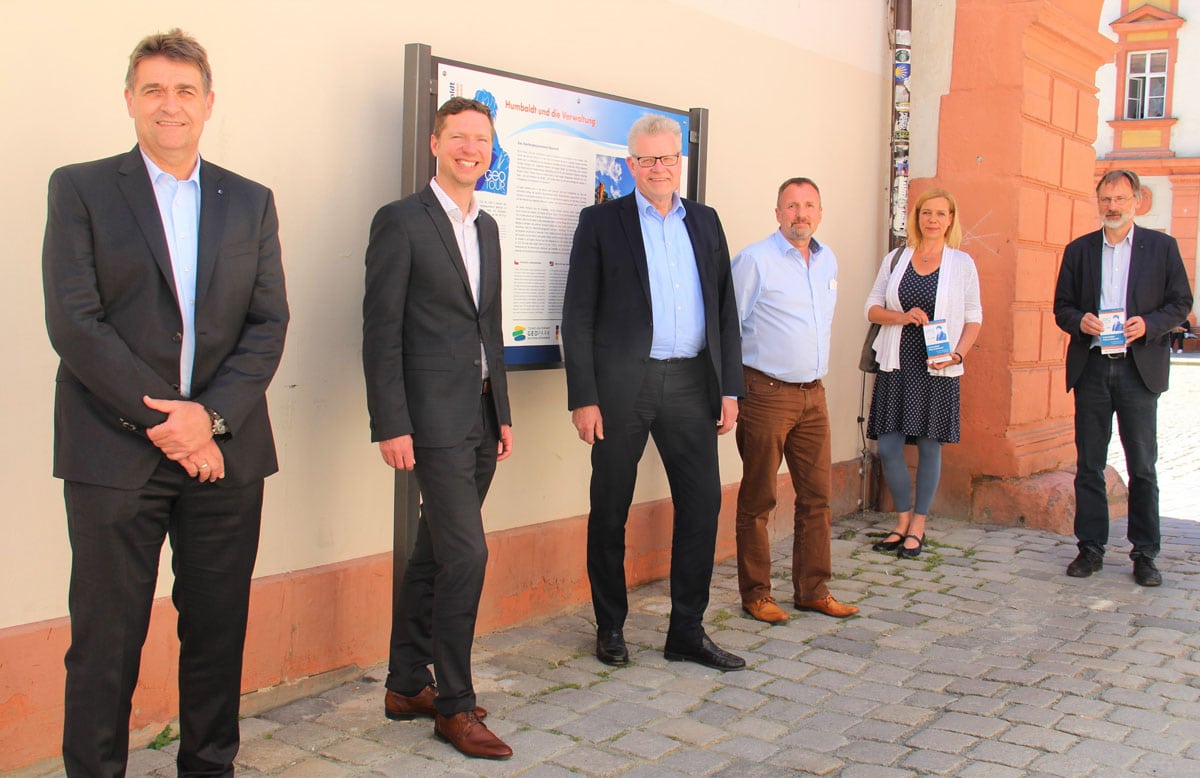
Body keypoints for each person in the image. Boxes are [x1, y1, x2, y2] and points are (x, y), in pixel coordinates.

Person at [41, 29, 289, 775]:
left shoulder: (249, 202)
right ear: (129, 101)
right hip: (113, 455)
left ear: (208, 105)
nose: (169, 105)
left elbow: (267, 323)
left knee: (216, 634)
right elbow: (74, 323)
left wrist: (208, 419)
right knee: (105, 639)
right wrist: (169, 424)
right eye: (153, 90)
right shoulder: (81, 189)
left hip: (226, 455)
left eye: (184, 91)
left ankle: (209, 767)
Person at [562, 114, 745, 671]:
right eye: (646, 159)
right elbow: (577, 315)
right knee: (609, 506)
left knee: (703, 504)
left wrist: (729, 388)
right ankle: (610, 627)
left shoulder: (706, 222)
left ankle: (686, 631)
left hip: (692, 381)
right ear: (629, 165)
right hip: (623, 386)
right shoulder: (601, 222)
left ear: (679, 163)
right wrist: (583, 396)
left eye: (667, 158)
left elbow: (725, 309)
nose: (658, 167)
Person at [362, 97, 514, 759]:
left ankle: (404, 683)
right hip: (428, 420)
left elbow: (490, 328)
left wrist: (502, 411)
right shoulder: (401, 221)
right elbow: (379, 331)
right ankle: (453, 705)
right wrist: (391, 422)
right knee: (467, 555)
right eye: (458, 137)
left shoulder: (487, 227)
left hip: (478, 413)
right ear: (435, 143)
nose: (469, 148)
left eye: (480, 139)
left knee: (434, 551)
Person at [1053, 169, 1192, 587]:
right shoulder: (1079, 251)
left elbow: (1181, 303)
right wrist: (1083, 322)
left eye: (1120, 199)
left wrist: (1148, 324)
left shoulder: (1162, 248)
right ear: (1098, 202)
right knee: (1090, 465)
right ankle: (1090, 547)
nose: (1112, 207)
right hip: (1092, 367)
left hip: (1138, 369)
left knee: (1143, 466)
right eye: (1106, 200)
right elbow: (1061, 307)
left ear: (1136, 201)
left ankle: (1145, 553)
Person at [730, 178, 859, 623]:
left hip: (813, 396)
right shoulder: (755, 261)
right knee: (759, 499)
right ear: (778, 212)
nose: (800, 213)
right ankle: (756, 594)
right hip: (766, 394)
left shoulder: (828, 262)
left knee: (817, 499)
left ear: (820, 212)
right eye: (791, 206)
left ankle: (812, 589)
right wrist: (731, 393)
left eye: (808, 205)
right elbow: (729, 329)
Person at [864, 188, 982, 559]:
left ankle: (919, 524)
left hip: (937, 365)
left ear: (951, 219)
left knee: (930, 446)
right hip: (897, 359)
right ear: (916, 217)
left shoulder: (961, 263)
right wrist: (902, 317)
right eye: (926, 213)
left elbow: (975, 317)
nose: (933, 219)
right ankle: (901, 520)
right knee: (889, 446)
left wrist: (958, 354)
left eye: (940, 214)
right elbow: (872, 308)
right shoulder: (896, 258)